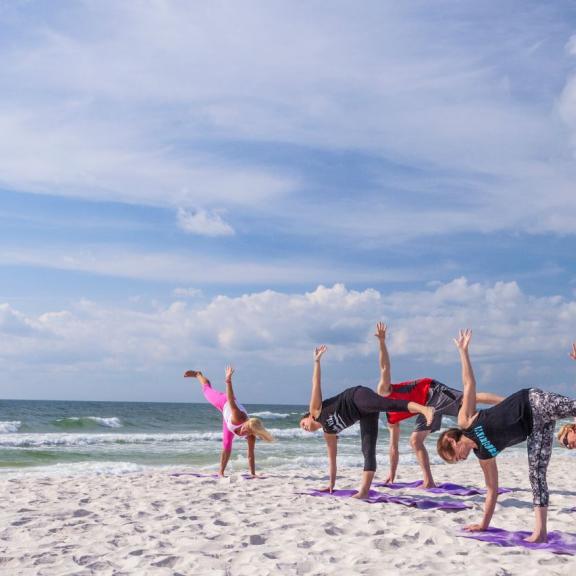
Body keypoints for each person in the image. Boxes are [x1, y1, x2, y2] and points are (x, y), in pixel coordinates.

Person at [437, 331, 576, 543]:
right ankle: (540, 533)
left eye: (454, 456)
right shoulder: (483, 455)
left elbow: (468, 385)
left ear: (451, 441)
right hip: (535, 428)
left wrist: (463, 352)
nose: (460, 460)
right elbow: (492, 490)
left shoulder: (465, 422)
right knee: (536, 475)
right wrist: (483, 525)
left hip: (532, 402)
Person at [374, 322, 503, 487]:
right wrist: (391, 474)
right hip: (425, 410)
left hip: (432, 392)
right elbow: (393, 448)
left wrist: (382, 342)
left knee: (469, 400)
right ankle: (429, 481)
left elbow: (385, 367)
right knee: (415, 441)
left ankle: (508, 403)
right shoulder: (392, 419)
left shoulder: (384, 392)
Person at [299, 345, 435, 499]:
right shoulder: (329, 433)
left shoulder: (316, 410)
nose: (305, 428)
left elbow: (315, 384)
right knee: (367, 449)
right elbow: (332, 460)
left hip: (357, 396)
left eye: (303, 424)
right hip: (364, 415)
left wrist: (317, 361)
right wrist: (331, 484)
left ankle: (425, 409)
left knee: (388, 404)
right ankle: (363, 492)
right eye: (303, 429)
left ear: (308, 416)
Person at [184, 365, 273, 476]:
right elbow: (231, 398)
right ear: (245, 423)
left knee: (226, 444)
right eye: (245, 427)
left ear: (252, 432)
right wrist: (228, 380)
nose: (244, 430)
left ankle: (220, 472)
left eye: (247, 431)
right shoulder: (238, 416)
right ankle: (198, 374)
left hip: (228, 422)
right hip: (224, 402)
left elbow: (250, 455)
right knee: (206, 390)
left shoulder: (251, 436)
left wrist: (253, 474)